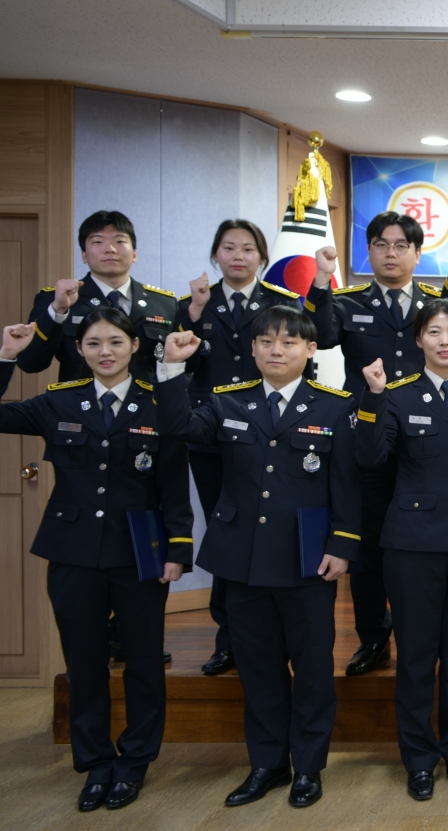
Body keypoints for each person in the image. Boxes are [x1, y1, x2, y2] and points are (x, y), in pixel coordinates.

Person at [0, 311, 192, 813]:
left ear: (135, 345)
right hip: (72, 552)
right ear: (80, 349)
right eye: (93, 343)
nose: (105, 352)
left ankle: (135, 762)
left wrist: (178, 550)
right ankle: (95, 764)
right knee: (84, 663)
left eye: (115, 341)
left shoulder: (159, 402)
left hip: (139, 553)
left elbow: (174, 484)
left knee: (143, 662)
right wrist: (5, 356)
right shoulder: (58, 401)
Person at [156, 307, 357, 809]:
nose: (276, 350)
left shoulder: (335, 407)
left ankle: (307, 767)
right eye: (266, 341)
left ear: (310, 350)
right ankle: (267, 764)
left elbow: (348, 485)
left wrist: (342, 544)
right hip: (242, 559)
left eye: (289, 342)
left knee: (312, 670)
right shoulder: (227, 401)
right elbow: (178, 427)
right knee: (258, 668)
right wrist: (171, 368)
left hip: (307, 559)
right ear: (252, 349)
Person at [305, 213, 448, 676]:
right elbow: (320, 334)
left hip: (427, 442)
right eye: (381, 244)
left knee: (415, 541)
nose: (391, 253)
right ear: (369, 251)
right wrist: (321, 280)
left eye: (402, 245)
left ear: (417, 254)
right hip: (368, 435)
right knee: (367, 542)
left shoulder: (433, 306)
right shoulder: (347, 302)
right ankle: (373, 636)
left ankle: (420, 635)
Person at [354, 298, 448, 802]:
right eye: (435, 332)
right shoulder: (395, 395)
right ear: (418, 339)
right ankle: (419, 758)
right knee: (417, 656)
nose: (445, 341)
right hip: (412, 546)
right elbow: (371, 459)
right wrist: (374, 398)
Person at [176, 219, 305, 677]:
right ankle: (228, 637)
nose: (237, 256)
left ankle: (275, 632)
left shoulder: (281, 302)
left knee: (271, 527)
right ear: (215, 255)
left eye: (248, 248)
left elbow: (300, 364)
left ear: (262, 257)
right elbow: (175, 362)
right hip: (212, 435)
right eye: (228, 248)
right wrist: (194, 314)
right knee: (225, 530)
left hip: (270, 435)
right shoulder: (193, 304)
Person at [19, 210, 180, 383]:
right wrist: (57, 311)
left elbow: (183, 365)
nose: (110, 249)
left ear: (134, 254)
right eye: (97, 242)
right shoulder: (57, 300)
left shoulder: (164, 304)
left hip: (146, 399)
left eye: (119, 241)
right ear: (84, 255)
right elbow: (30, 363)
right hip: (80, 399)